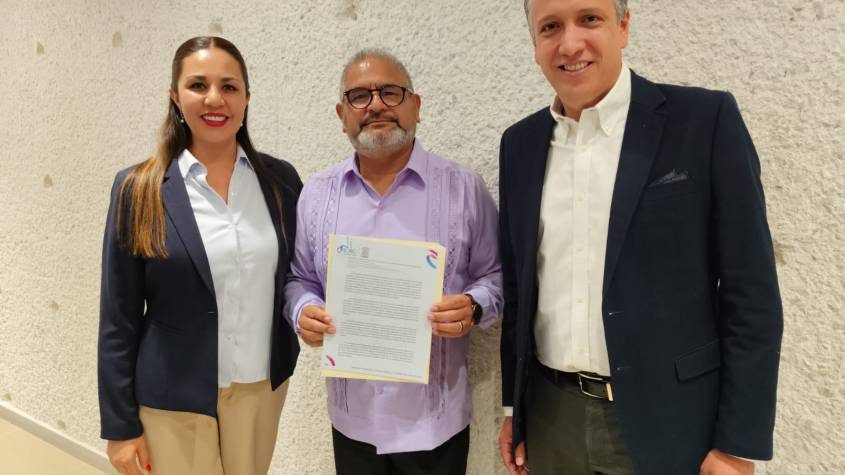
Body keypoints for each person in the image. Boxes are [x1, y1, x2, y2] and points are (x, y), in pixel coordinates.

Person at [497, 1, 783, 474]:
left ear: (623, 26)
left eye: (589, 18)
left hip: (672, 421)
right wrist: (514, 408)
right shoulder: (519, 145)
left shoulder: (704, 121)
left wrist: (737, 442)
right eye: (550, 27)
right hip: (551, 419)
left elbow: (750, 292)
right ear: (534, 45)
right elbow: (518, 288)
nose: (570, 43)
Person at [284, 49, 502, 475]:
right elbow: (300, 278)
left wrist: (473, 307)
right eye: (359, 96)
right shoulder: (317, 194)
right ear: (342, 115)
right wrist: (302, 311)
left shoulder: (464, 189)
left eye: (390, 92)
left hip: (436, 426)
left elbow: (496, 275)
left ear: (415, 106)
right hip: (352, 423)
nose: (376, 105)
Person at [98, 36, 301, 475]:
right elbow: (118, 318)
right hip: (173, 396)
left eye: (229, 86)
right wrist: (120, 427)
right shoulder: (139, 189)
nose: (214, 99)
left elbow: (299, 277)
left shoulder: (281, 182)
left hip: (259, 388)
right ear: (175, 96)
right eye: (197, 85)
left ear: (246, 98)